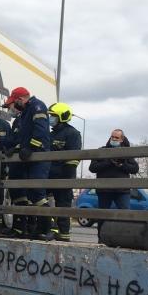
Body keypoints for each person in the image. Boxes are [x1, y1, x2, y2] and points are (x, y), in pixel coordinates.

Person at [0, 87, 56, 240]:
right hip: (31, 157)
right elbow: (23, 137)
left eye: (15, 102)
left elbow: (41, 130)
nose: (14, 106)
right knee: (32, 193)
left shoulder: (37, 106)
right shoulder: (26, 113)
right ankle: (40, 228)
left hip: (39, 156)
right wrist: (17, 149)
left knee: (37, 194)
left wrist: (31, 147)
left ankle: (51, 228)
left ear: (21, 99)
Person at [88, 129, 139, 239]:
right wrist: (109, 162)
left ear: (122, 139)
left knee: (125, 214)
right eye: (113, 137)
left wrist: (121, 165)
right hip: (104, 189)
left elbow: (135, 169)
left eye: (117, 138)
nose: (114, 139)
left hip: (122, 190)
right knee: (102, 215)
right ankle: (101, 239)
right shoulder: (102, 151)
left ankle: (126, 238)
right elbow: (92, 168)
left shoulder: (127, 152)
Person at [47, 103, 82, 242]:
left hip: (64, 176)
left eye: (53, 115)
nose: (51, 118)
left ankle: (64, 236)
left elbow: (73, 159)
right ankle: (51, 229)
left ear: (61, 116)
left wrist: (66, 179)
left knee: (63, 207)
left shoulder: (72, 133)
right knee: (39, 200)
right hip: (49, 176)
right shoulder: (51, 134)